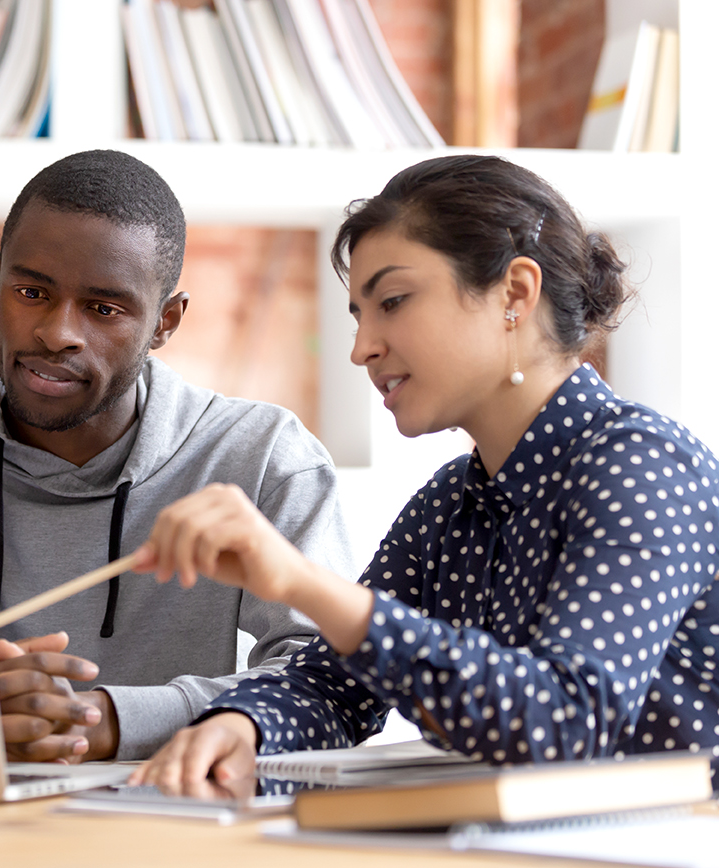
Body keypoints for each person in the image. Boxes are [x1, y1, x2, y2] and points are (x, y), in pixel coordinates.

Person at [128, 154, 719, 791]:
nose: (362, 349)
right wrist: (243, 729)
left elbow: (565, 723)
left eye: (393, 301)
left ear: (515, 294)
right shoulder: (449, 504)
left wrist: (301, 582)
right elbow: (333, 688)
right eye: (359, 315)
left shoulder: (643, 463)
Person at [0, 149, 354, 762]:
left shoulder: (263, 459)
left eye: (104, 309)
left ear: (165, 322)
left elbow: (333, 687)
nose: (57, 333)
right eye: (31, 292)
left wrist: (111, 720)